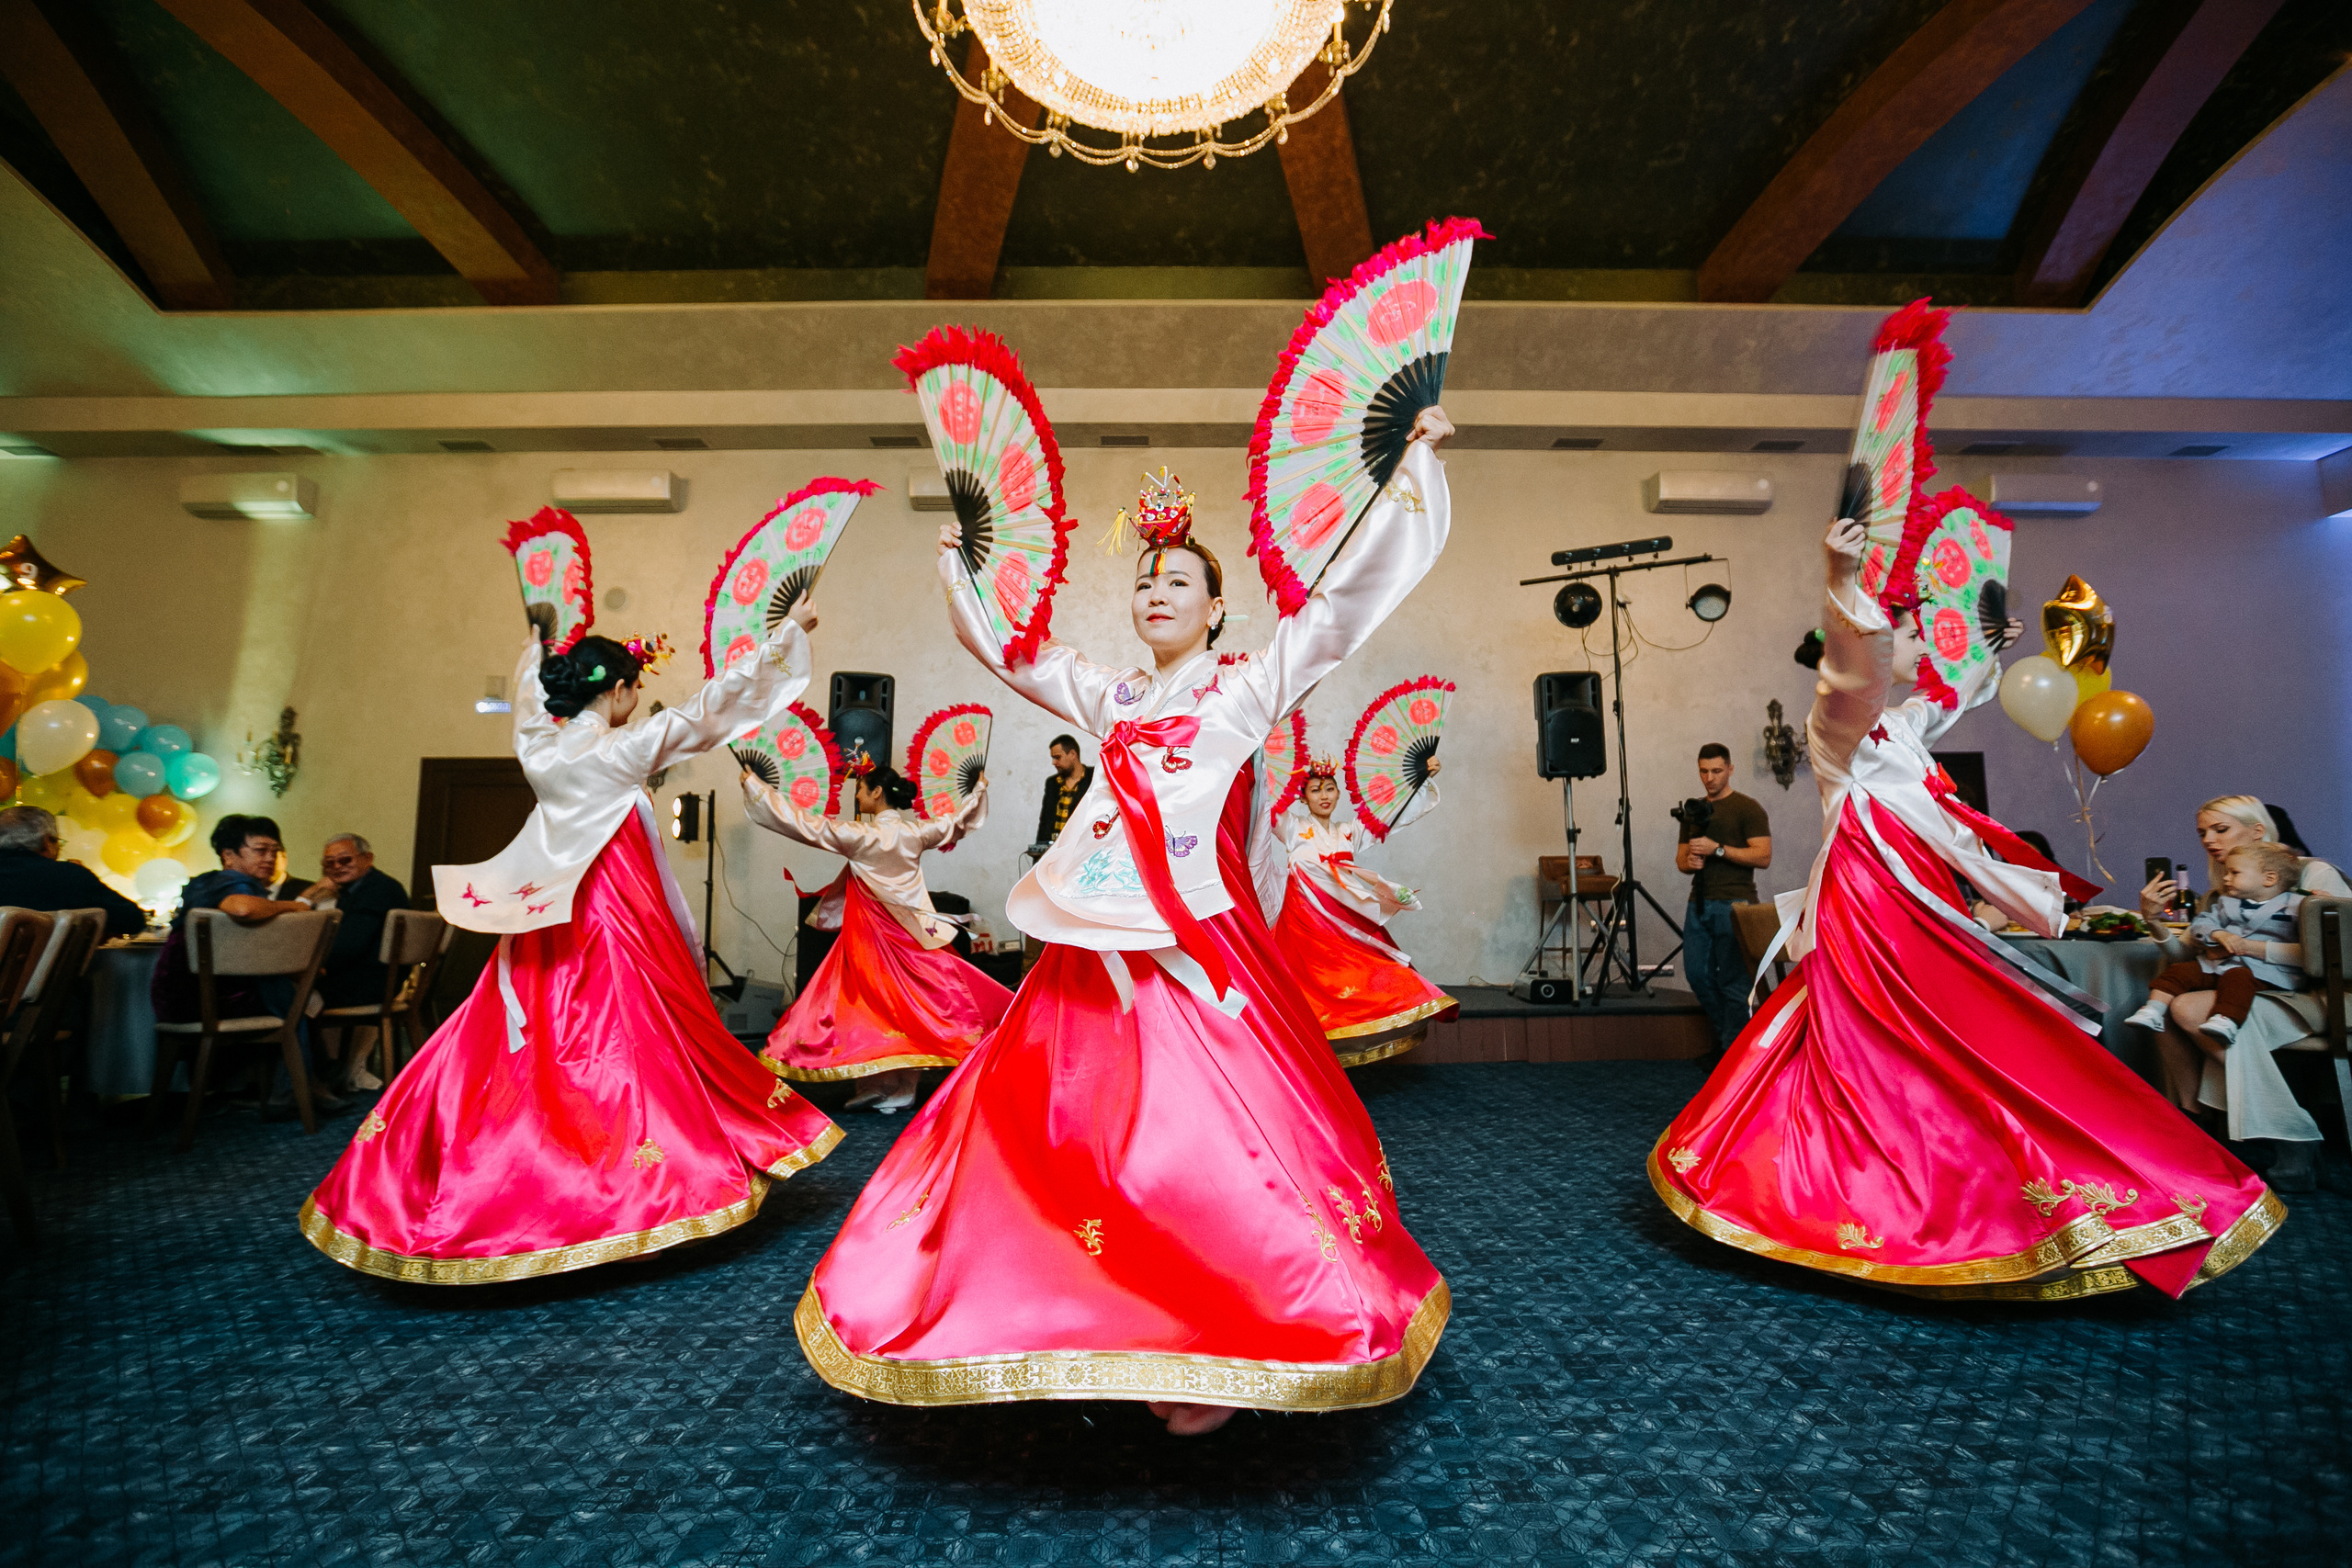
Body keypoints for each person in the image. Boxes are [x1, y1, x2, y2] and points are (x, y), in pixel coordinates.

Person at [796, 427, 1456, 1437]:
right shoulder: (1110, 696)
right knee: (1066, 1136)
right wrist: (957, 573)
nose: (1157, 592)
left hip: (1198, 953)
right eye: (1146, 580)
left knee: (1204, 1146)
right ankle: (1076, 1316)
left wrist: (1413, 470)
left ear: (1216, 604)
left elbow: (1343, 607)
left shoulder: (1246, 686)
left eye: (1179, 580)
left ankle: (1219, 1331)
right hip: (1092, 944)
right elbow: (1010, 652)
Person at [1651, 514, 2278, 1302]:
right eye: (1911, 633)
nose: (1917, 644)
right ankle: (1866, 1201)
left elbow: (1954, 695)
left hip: (1919, 905)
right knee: (1884, 1049)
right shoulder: (1837, 733)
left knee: (1966, 1043)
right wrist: (1842, 582)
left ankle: (1983, 1196)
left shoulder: (1906, 731)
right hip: (1873, 907)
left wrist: (1991, 651)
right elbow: (1848, 676)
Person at [300, 614, 842, 1282]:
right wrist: (785, 636)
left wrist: (533, 642)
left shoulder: (542, 750)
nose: (636, 699)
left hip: (546, 917)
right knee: (632, 1039)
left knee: (514, 1039)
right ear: (617, 688)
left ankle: (505, 1177)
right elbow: (710, 707)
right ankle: (629, 1194)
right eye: (633, 687)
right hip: (612, 913)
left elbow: (527, 703)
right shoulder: (621, 749)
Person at [745, 755, 1010, 1114]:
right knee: (911, 1009)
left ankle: (886, 1084)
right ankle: (890, 1085)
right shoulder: (915, 832)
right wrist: (979, 789)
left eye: (861, 790)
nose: (857, 797)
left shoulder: (862, 836)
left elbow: (802, 824)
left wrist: (757, 789)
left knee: (867, 1007)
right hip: (911, 938)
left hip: (870, 939)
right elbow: (957, 824)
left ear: (878, 792)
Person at [2134, 795, 2350, 1113]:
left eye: (2220, 829)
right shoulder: (2225, 890)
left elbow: (2344, 956)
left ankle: (2281, 1121)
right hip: (2257, 984)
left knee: (2188, 1009)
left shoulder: (2313, 874)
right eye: (2202, 833)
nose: (2208, 840)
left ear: (2257, 831)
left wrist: (2250, 948)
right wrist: (2153, 921)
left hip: (2324, 994)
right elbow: (2190, 958)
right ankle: (2195, 1117)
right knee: (2165, 1008)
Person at [152, 813, 350, 1116]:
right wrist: (297, 905)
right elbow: (242, 909)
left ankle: (298, 1086)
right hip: (198, 996)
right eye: (260, 850)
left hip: (198, 993)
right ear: (228, 855)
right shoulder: (228, 880)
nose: (270, 858)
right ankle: (301, 1086)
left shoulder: (223, 882)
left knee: (293, 990)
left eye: (274, 851)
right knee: (296, 995)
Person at [1270, 753, 1455, 1066]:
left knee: (1372, 974)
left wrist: (1422, 779)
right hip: (1305, 925)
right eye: (1315, 790)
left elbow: (1393, 815)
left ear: (1339, 792)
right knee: (1306, 988)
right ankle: (1306, 1063)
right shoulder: (1292, 827)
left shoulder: (1348, 831)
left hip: (1342, 923)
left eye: (1329, 788)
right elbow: (1260, 806)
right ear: (1302, 798)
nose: (1324, 796)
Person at [2126, 841, 2303, 1049]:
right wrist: (2218, 933)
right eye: (2226, 872)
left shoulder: (2296, 905)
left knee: (2238, 978)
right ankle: (2153, 1009)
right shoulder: (2226, 902)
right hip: (2219, 965)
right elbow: (2201, 923)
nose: (2226, 878)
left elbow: (2312, 946)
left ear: (2270, 878)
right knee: (2181, 971)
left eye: (2234, 873)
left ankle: (2227, 1020)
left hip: (2264, 972)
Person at [1672, 744, 1771, 1050]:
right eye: (1704, 771)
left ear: (1729, 769)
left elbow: (1763, 856)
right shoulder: (1695, 809)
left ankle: (1732, 1054)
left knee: (1734, 983)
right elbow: (1681, 859)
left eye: (1716, 771)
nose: (1710, 778)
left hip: (1736, 903)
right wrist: (1689, 861)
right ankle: (1730, 1046)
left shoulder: (1747, 808)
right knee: (1697, 975)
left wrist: (1717, 849)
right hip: (1699, 903)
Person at [0, 806, 145, 938]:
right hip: (48, 966)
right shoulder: (67, 876)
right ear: (46, 842)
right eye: (57, 841)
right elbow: (133, 920)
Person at [304, 834, 410, 1009]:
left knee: (280, 989)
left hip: (366, 986)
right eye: (330, 863)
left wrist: (309, 966)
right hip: (368, 980)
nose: (337, 866)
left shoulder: (378, 890)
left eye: (345, 860)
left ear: (368, 859)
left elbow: (348, 947)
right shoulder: (358, 888)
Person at [1034, 733, 1093, 849]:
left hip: (1080, 849)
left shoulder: (1093, 779)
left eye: (1057, 757)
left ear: (1072, 754)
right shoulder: (1052, 783)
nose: (1054, 762)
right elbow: (1045, 822)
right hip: (1054, 849)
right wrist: (1039, 854)